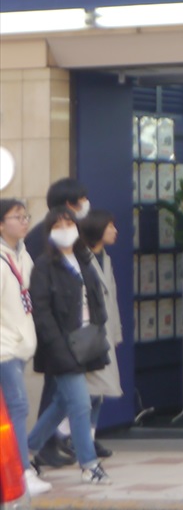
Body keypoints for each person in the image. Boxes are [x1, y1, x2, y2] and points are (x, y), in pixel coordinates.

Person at [26, 206, 111, 485]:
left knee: (62, 403)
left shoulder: (84, 260)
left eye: (69, 223)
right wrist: (57, 346)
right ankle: (89, 464)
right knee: (80, 403)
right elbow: (42, 312)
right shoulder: (44, 266)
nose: (65, 229)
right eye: (58, 225)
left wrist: (99, 330)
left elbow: (96, 300)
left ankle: (26, 451)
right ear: (49, 232)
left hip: (85, 342)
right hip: (61, 347)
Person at [23, 177, 90, 469]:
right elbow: (44, 294)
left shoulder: (73, 239)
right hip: (55, 330)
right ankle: (81, 460)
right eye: (80, 201)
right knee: (61, 392)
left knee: (61, 394)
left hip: (71, 329)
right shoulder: (43, 238)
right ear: (66, 204)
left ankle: (41, 443)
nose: (85, 205)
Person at [0, 198, 51, 496]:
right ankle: (22, 473)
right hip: (4, 348)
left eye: (25, 216)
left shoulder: (22, 255)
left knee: (12, 410)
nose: (24, 222)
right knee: (18, 406)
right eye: (16, 217)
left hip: (18, 346)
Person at [77, 210, 122, 460]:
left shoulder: (106, 258)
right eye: (110, 226)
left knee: (98, 393)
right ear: (97, 229)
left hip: (103, 334)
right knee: (89, 392)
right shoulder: (82, 259)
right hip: (88, 336)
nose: (115, 231)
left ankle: (89, 439)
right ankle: (63, 440)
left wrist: (116, 333)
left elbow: (111, 298)